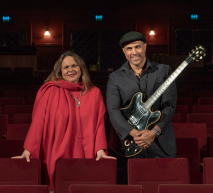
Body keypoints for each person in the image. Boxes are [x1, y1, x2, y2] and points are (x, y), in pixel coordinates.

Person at [13, 51, 115, 189]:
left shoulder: (94, 92)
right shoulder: (50, 91)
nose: (70, 70)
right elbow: (38, 122)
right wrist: (28, 149)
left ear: (81, 68)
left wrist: (100, 149)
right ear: (60, 71)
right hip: (58, 151)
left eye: (74, 65)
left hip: (87, 152)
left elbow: (99, 124)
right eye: (66, 67)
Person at [106, 31, 177, 158]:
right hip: (131, 141)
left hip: (160, 141)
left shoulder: (163, 71)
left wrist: (154, 132)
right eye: (129, 48)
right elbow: (113, 110)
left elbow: (169, 106)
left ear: (145, 46)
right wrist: (134, 133)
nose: (134, 52)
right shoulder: (115, 77)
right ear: (124, 51)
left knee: (166, 177)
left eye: (137, 47)